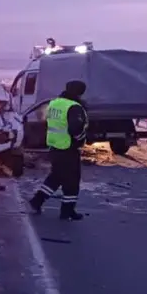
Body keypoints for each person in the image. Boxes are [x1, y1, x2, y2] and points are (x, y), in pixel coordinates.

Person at [28, 80, 88, 220]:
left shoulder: (55, 103)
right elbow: (75, 129)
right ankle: (67, 211)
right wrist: (81, 139)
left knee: (56, 177)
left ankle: (37, 201)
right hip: (68, 148)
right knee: (72, 181)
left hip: (55, 146)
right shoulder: (74, 107)